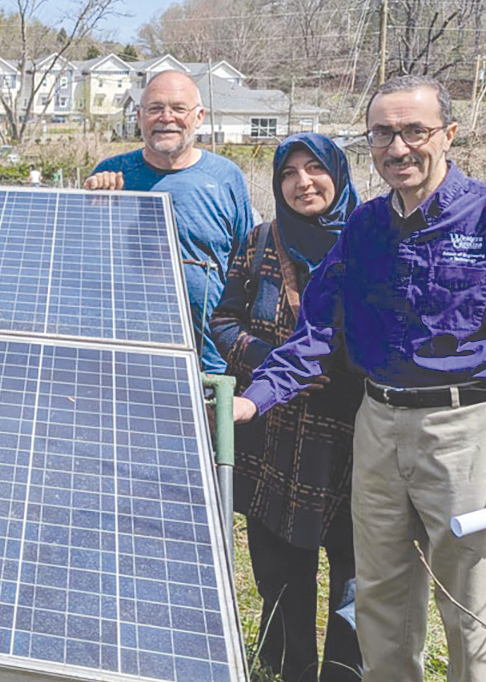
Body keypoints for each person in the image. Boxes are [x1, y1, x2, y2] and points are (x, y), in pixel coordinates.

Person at [234, 75, 486, 682]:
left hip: (467, 431)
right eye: (383, 133)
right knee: (382, 604)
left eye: (415, 130)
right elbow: (315, 333)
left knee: (472, 610)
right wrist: (249, 404)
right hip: (378, 426)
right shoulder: (364, 227)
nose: (398, 146)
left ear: (449, 135)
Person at [210, 133, 362, 682]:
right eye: (289, 173)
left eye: (315, 169)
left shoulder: (371, 240)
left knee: (355, 568)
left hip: (349, 438)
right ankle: (286, 668)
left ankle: (345, 672)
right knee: (278, 567)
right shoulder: (258, 243)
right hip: (271, 432)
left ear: (339, 175)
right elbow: (224, 321)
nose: (303, 183)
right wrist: (275, 362)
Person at [85, 70, 254, 372]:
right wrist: (92, 204)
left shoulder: (226, 177)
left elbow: (244, 268)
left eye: (178, 108)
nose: (166, 117)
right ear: (139, 117)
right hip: (124, 353)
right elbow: (78, 264)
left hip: (208, 361)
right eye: (155, 108)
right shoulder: (112, 175)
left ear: (199, 116)